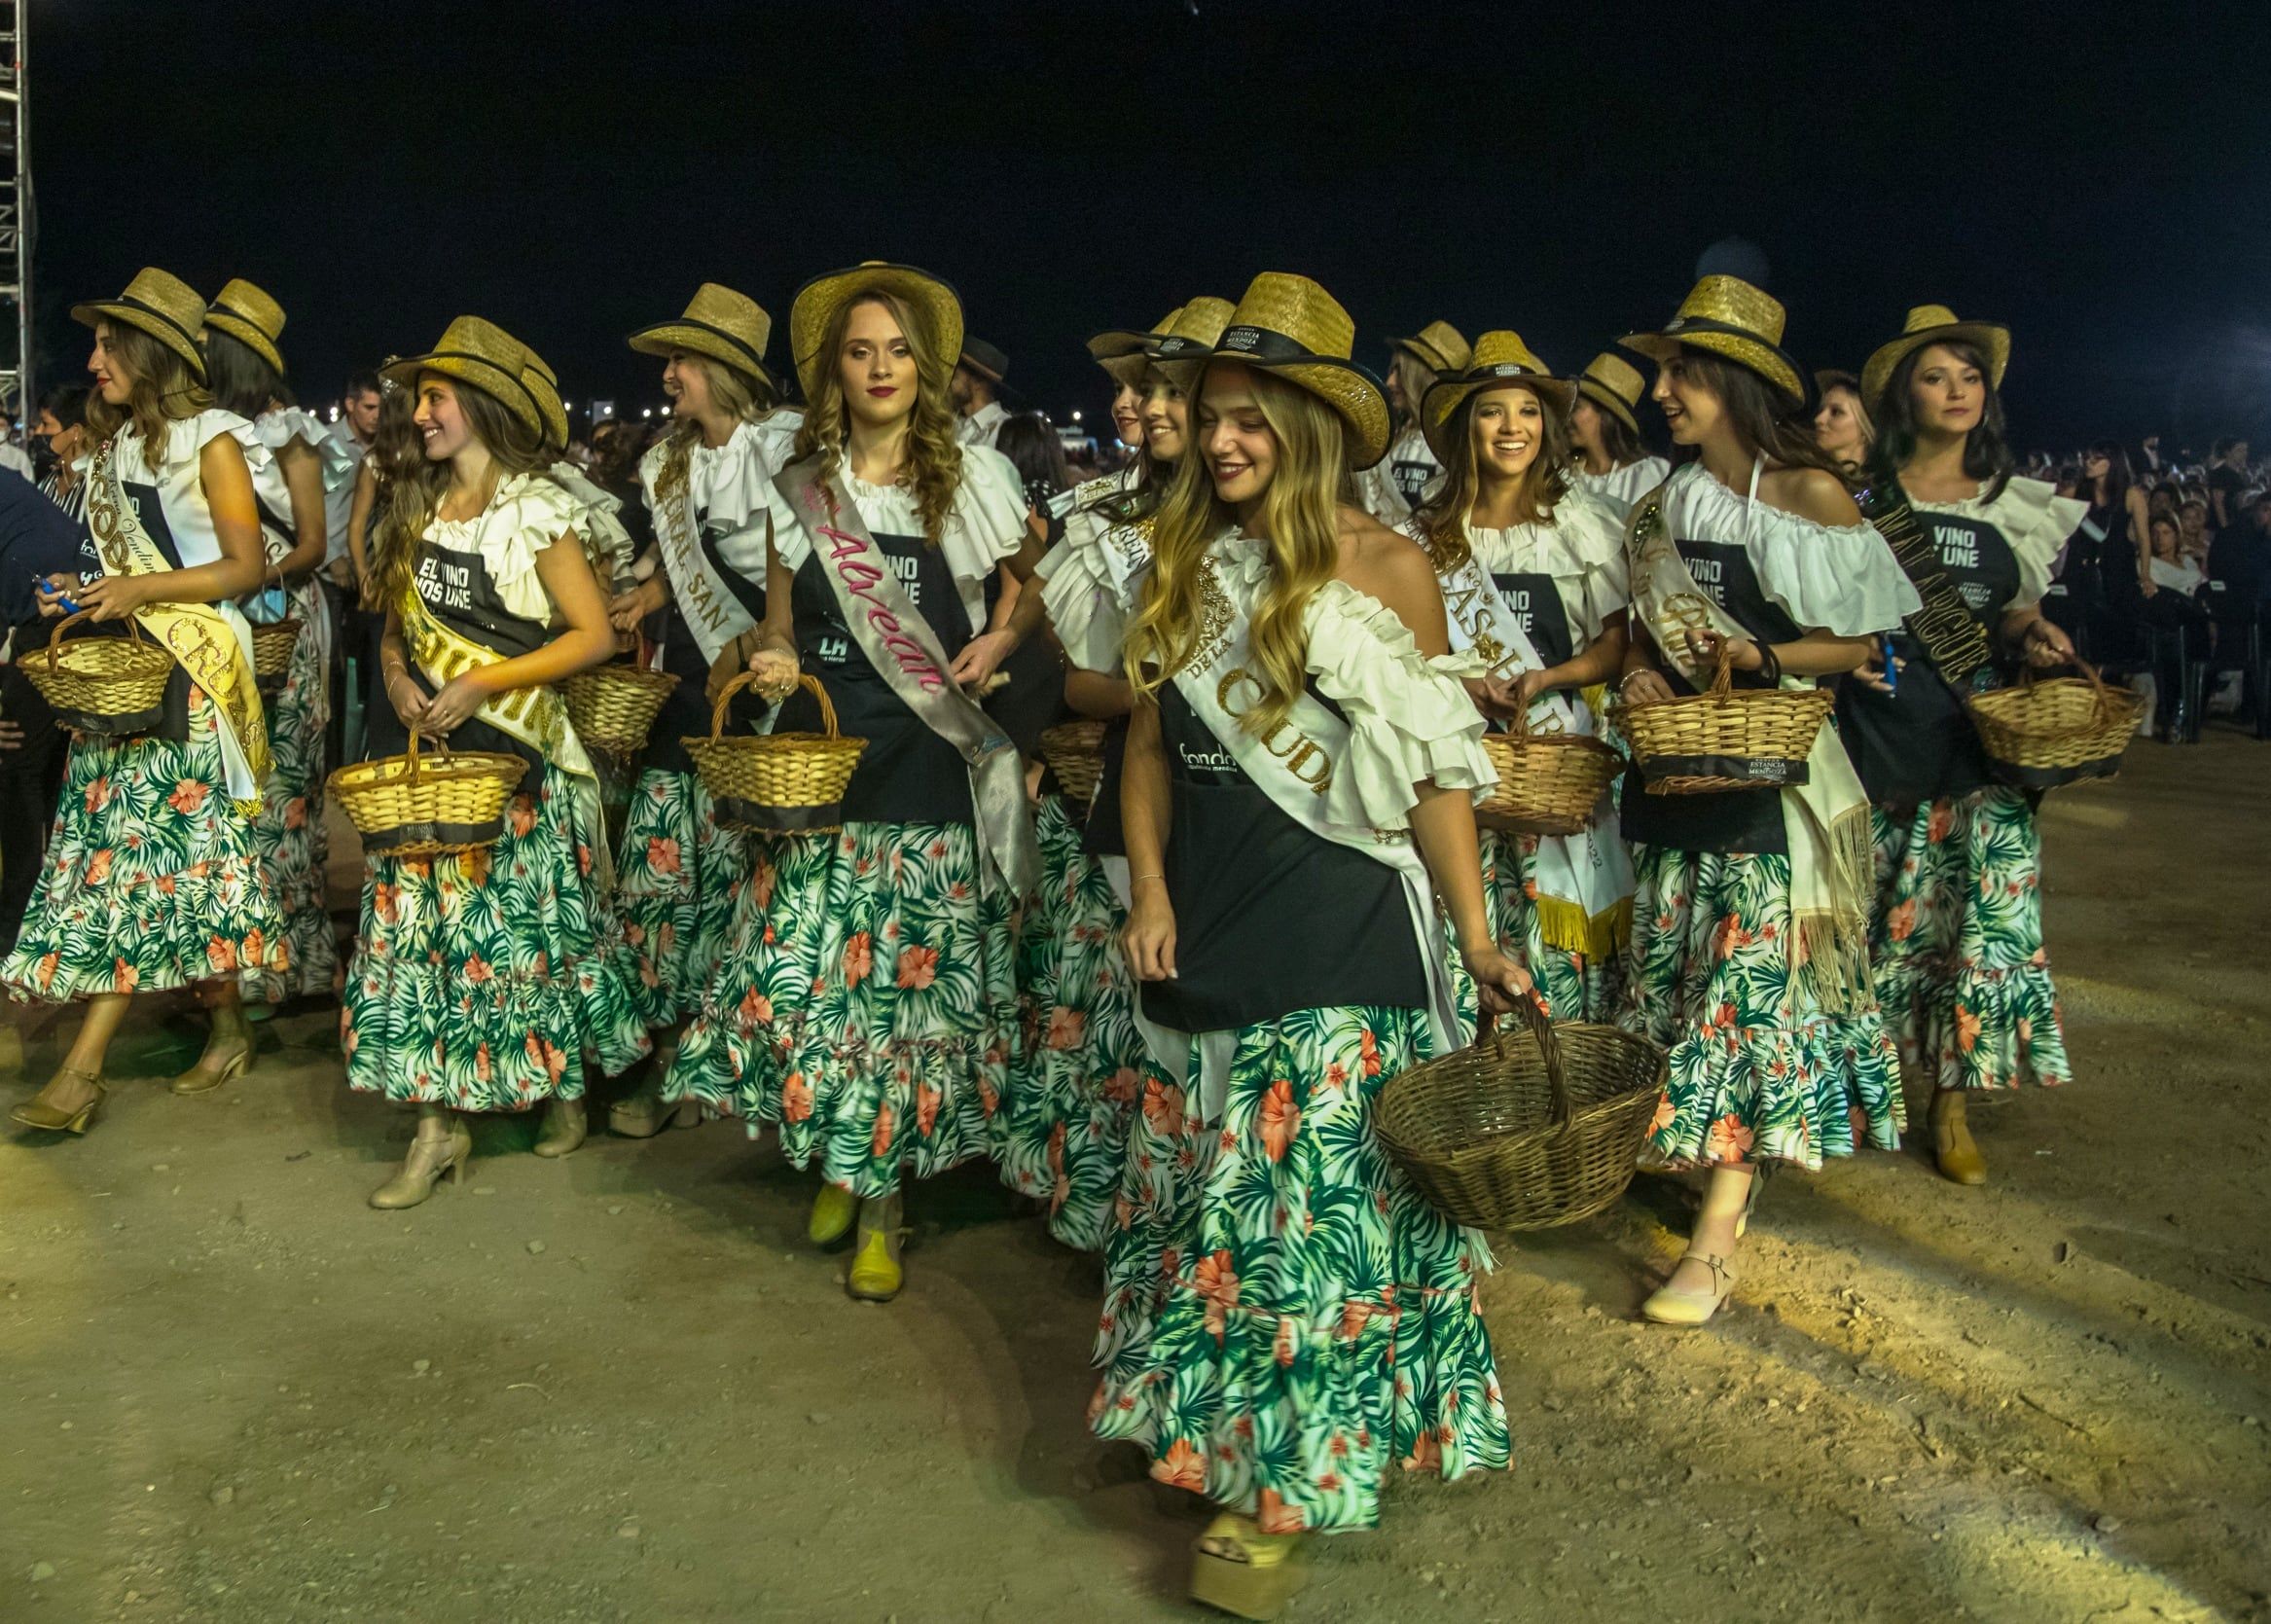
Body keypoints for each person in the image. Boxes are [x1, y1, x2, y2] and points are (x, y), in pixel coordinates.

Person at [1095, 272, 1529, 1615]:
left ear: (1310, 429)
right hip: (1213, 905)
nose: (1219, 440)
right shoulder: (1182, 559)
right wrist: (1149, 890)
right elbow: (1150, 746)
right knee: (1218, 1195)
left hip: (1344, 921)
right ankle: (1218, 1425)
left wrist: (1475, 931)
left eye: (1248, 420)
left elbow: (1434, 775)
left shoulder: (1390, 567)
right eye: (1209, 415)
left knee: (1302, 1215)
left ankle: (1273, 1486)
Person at [667, 262, 1046, 1301]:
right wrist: (775, 655)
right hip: (827, 764)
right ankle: (843, 1156)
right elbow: (781, 614)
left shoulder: (972, 480)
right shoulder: (805, 484)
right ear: (835, 369)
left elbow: (1029, 588)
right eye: (860, 350)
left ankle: (882, 1203)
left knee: (899, 1006)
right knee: (817, 985)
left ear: (926, 368)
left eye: (898, 350)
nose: (881, 368)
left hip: (930, 767)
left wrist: (999, 637)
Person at [1615, 276, 1921, 1326]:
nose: (1661, 390)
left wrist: (1762, 652)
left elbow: (1857, 644)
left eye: (1680, 373)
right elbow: (1639, 634)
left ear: (1731, 384)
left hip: (1776, 785)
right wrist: (1638, 679)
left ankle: (1715, 1239)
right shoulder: (1659, 500)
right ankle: (1689, 1164)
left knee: (1740, 1006)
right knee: (1676, 983)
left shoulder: (1811, 495)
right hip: (1675, 773)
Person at [342, 316, 652, 1207]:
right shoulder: (414, 501)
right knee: (426, 941)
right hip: (430, 760)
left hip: (515, 753)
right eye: (423, 397)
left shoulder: (539, 510)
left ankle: (560, 1087)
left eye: (436, 397)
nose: (423, 413)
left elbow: (592, 636)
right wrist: (398, 678)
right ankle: (436, 1129)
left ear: (479, 406)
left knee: (527, 944)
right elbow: (393, 626)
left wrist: (484, 682)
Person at [2, 269, 285, 1133]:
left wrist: (140, 587)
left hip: (194, 677)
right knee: (170, 865)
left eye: (106, 344)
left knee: (141, 860)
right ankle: (229, 1025)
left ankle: (84, 1069)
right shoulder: (118, 446)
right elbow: (122, 569)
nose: (93, 361)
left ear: (150, 353)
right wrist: (81, 588)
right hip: (130, 672)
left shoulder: (213, 441)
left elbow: (247, 566)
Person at [998, 296, 1234, 1249]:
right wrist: (1146, 695)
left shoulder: (1291, 530)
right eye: (1149, 388)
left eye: (1179, 389)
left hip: (1247, 816)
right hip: (1141, 801)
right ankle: (1116, 1213)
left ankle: (1204, 1231)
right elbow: (1086, 677)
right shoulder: (1105, 519)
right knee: (1124, 1016)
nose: (1158, 407)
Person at [1835, 306, 2089, 1185]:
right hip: (1877, 727)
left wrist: (2036, 633)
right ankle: (1873, 1086)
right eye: (1937, 377)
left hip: (1975, 736)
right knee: (1873, 925)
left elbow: (2011, 609)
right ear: (1906, 394)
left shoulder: (2009, 505)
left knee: (1971, 930)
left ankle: (1951, 1101)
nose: (1957, 392)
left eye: (1969, 377)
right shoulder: (1860, 496)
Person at [606, 283, 803, 1136]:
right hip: (689, 676)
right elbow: (677, 567)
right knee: (659, 876)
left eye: (681, 361)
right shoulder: (669, 462)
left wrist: (754, 647)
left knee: (732, 880)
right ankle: (665, 1047)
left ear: (724, 370)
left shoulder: (785, 446)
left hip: (766, 679)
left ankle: (710, 1065)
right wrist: (643, 599)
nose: (669, 376)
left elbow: (797, 568)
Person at [1406, 331, 1635, 1019]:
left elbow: (1615, 644)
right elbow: (1405, 652)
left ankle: (1563, 1054)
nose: (1513, 428)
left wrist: (1550, 677)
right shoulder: (1426, 534)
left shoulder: (1582, 523)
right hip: (1458, 760)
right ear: (1463, 427)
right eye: (1492, 411)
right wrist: (1463, 683)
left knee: (1554, 926)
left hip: (1555, 761)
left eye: (1528, 411)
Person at [203, 279, 354, 1011]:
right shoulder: (209, 431)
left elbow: (316, 542)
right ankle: (244, 960)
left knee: (287, 791)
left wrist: (249, 574)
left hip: (284, 623)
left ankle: (295, 959)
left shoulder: (287, 431)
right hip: (232, 626)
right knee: (242, 794)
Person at [0, 469, 98, 958]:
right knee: (57, 773)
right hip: (67, 618)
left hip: (64, 623)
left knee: (15, 757)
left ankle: (17, 927)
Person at [1355, 318, 1470, 524]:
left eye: (1401, 372)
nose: (1390, 382)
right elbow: (1371, 507)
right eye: (1391, 371)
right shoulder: (1386, 439)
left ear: (1423, 378)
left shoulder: (1461, 446)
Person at [1568, 349, 1672, 519]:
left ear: (1605, 415)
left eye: (1577, 407)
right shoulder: (1564, 474)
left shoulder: (1651, 475)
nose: (1568, 416)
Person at [30, 383, 93, 524]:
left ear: (75, 432)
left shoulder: (96, 488)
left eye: (45, 424)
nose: (38, 432)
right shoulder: (47, 481)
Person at [1813, 368, 1876, 477]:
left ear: (1865, 427)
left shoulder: (1884, 489)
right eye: (1821, 409)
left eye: (1836, 412)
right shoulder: (1807, 478)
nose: (1818, 419)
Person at [952, 337, 1012, 448]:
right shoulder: (953, 421)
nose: (949, 379)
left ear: (978, 380)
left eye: (955, 375)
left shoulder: (1003, 432)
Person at [2207, 438, 2250, 529]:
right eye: (2239, 450)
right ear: (2227, 453)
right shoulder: (2220, 473)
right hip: (2220, 526)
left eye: (2245, 449)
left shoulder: (2238, 473)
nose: (2244, 453)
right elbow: (2218, 502)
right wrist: (2225, 528)